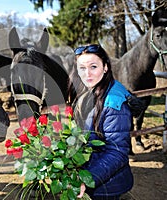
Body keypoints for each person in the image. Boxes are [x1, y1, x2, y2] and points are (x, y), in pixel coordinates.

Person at [68, 44, 134, 200]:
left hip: (106, 186)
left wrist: (88, 179)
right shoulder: (91, 91)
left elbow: (117, 152)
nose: (87, 74)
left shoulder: (113, 103)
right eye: (82, 68)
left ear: (105, 67)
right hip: (94, 177)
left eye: (93, 66)